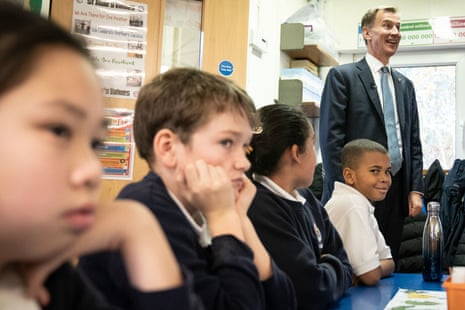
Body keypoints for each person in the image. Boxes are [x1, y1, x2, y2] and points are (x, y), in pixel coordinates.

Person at [0, 3, 202, 310]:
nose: (92, 171)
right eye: (58, 130)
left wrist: (136, 226)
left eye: (95, 142)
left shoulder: (46, 278)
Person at [79, 68, 297, 310]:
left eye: (244, 146)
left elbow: (284, 303)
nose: (244, 162)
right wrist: (224, 219)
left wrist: (239, 218)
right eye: (227, 142)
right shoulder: (149, 209)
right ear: (168, 148)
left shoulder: (205, 204)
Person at [319, 6, 424, 263]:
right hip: (356, 190)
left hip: (396, 189)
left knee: (389, 261)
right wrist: (342, 190)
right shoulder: (342, 77)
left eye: (398, 27)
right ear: (366, 33)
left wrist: (415, 190)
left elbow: (412, 141)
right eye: (387, 25)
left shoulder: (405, 85)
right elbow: (331, 139)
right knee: (355, 265)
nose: (395, 32)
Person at [247, 103, 352, 310]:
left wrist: (326, 266)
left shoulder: (307, 199)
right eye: (312, 144)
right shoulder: (259, 205)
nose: (316, 154)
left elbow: (347, 265)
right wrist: (330, 265)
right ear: (296, 152)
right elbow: (312, 290)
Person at [325, 139, 395, 286]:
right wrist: (370, 270)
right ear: (350, 176)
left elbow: (389, 262)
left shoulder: (361, 203)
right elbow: (371, 276)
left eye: (387, 171)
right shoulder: (353, 204)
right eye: (374, 171)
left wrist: (366, 271)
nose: (384, 179)